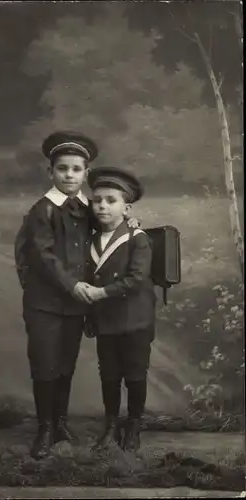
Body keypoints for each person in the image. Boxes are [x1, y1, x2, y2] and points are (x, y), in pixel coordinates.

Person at [14, 132, 139, 460]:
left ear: (86, 174)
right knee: (44, 364)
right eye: (62, 169)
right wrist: (72, 285)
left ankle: (60, 423)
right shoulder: (42, 210)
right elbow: (43, 255)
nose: (69, 175)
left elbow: (111, 232)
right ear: (50, 173)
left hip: (75, 305)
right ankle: (44, 428)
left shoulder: (89, 209)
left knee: (65, 364)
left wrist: (130, 221)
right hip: (45, 303)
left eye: (76, 169)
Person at [83, 166, 157, 454]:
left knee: (135, 374)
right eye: (97, 200)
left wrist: (102, 293)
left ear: (126, 208)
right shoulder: (89, 240)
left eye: (110, 201)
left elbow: (137, 279)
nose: (102, 206)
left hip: (135, 319)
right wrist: (90, 313)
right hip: (106, 321)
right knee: (109, 374)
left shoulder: (137, 238)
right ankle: (111, 424)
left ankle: (134, 424)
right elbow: (90, 278)